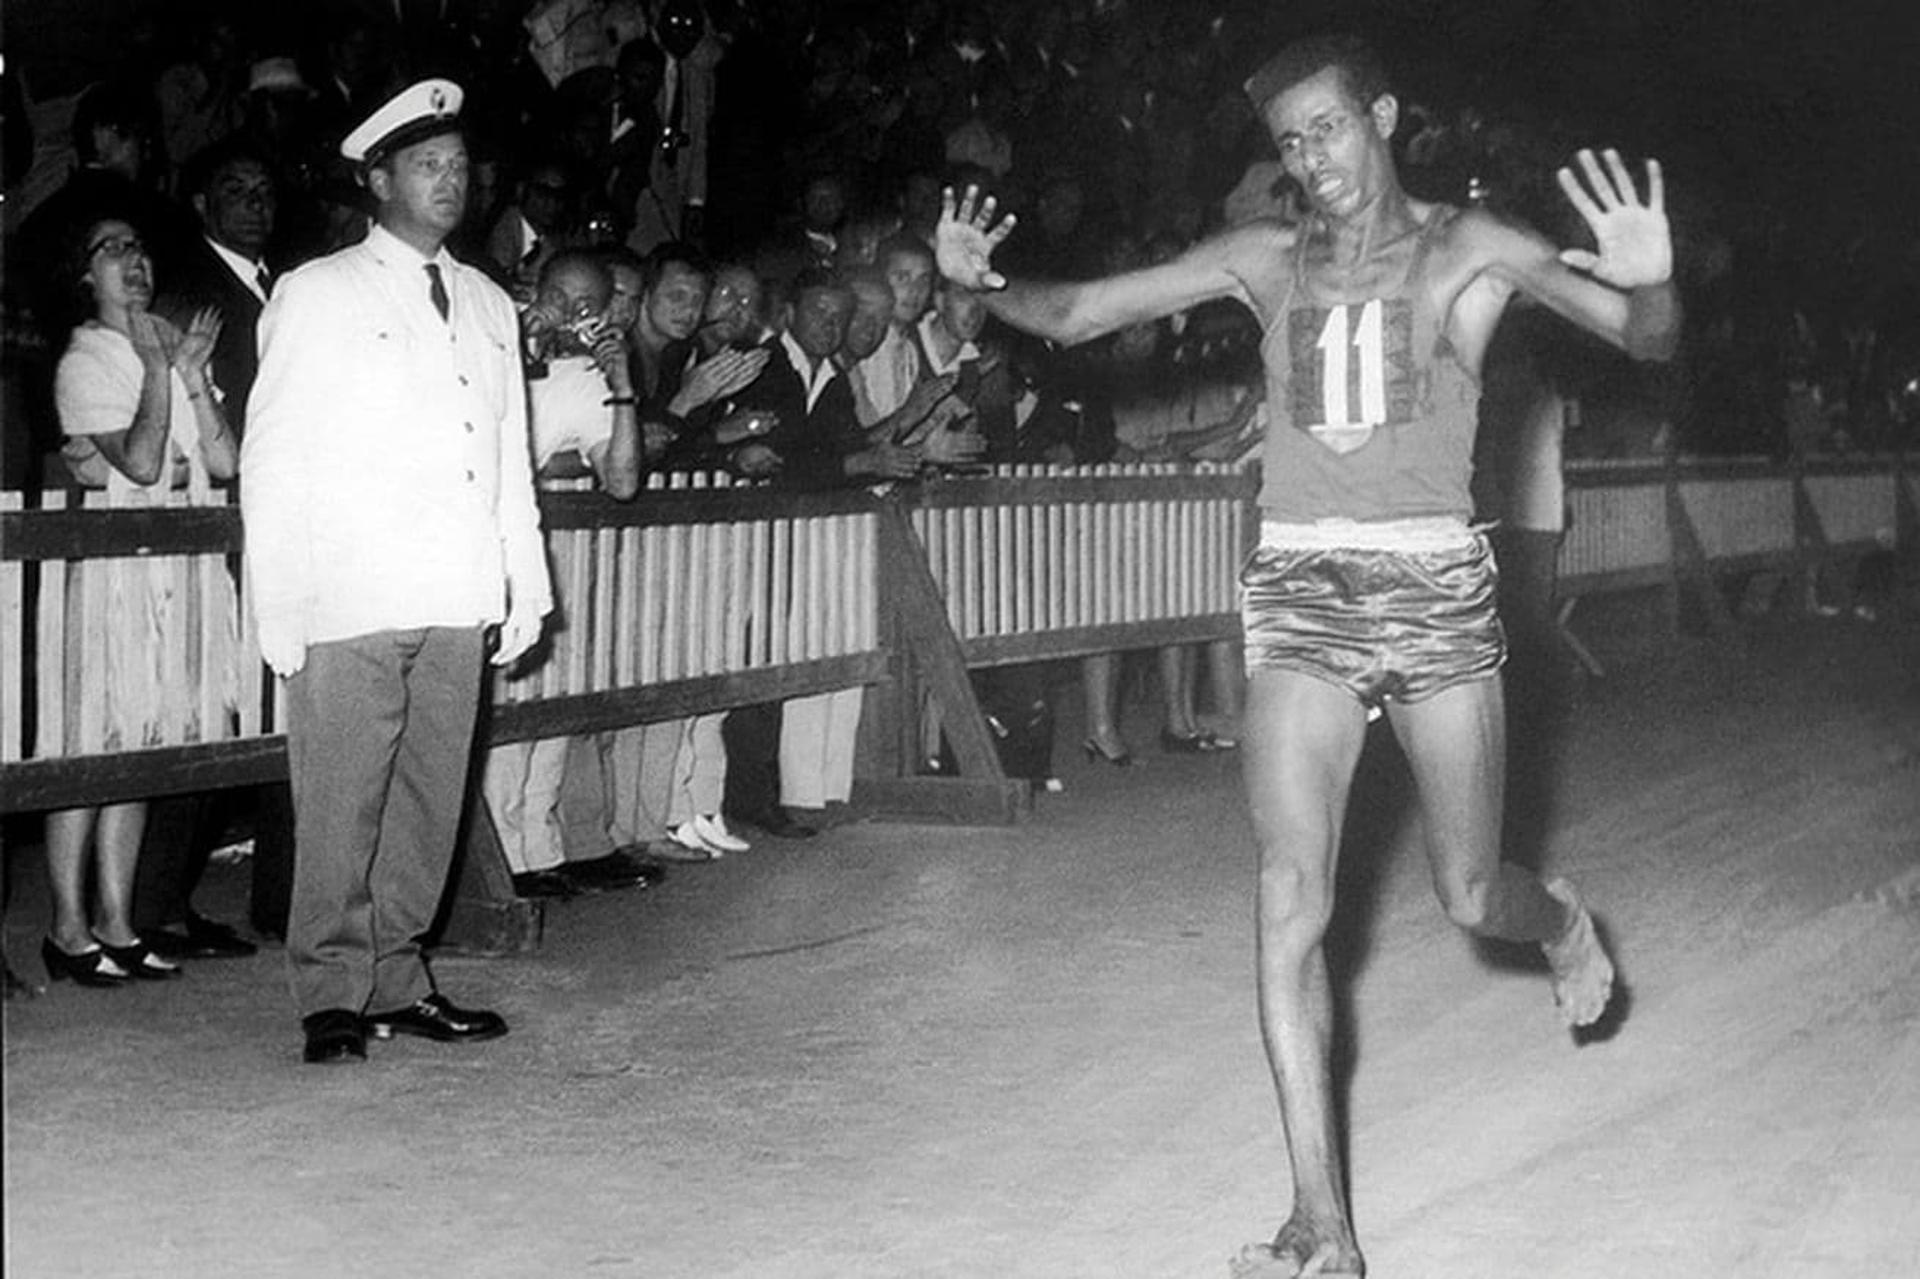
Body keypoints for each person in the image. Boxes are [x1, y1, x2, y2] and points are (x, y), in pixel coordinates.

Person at [936, 33, 1676, 1277]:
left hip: (1436, 589)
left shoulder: (1467, 246)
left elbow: (1641, 337)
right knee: (1289, 899)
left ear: (1382, 116)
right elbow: (1074, 312)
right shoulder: (1262, 259)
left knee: (1471, 892)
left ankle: (1559, 928)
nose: (1310, 158)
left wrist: (1652, 282)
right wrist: (977, 283)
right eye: (1288, 141)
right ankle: (1320, 1225)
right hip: (1299, 591)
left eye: (1328, 128)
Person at [242, 79, 552, 1065]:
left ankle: (400, 972)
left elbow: (505, 453)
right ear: (378, 179)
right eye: (427, 165)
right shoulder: (319, 292)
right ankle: (333, 988)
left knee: (428, 796)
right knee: (343, 797)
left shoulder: (488, 301)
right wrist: (278, 602)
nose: (450, 181)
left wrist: (523, 583)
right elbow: (275, 456)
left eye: (460, 166)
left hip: (455, 589)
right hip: (354, 590)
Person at [44, 214, 239, 987]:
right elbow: (144, 457)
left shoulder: (167, 341)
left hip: (178, 573)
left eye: (139, 246)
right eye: (112, 249)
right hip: (115, 573)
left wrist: (192, 372)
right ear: (84, 276)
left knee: (138, 754)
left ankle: (117, 919)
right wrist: (160, 372)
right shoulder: (84, 360)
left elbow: (220, 459)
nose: (133, 259)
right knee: (93, 745)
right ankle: (65, 925)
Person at [135, 137, 290, 959]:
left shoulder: (288, 284)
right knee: (204, 707)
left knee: (265, 706)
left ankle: (273, 897)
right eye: (237, 190)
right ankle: (154, 900)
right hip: (215, 518)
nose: (256, 205)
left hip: (278, 515)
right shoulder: (191, 288)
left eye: (265, 190)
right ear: (203, 205)